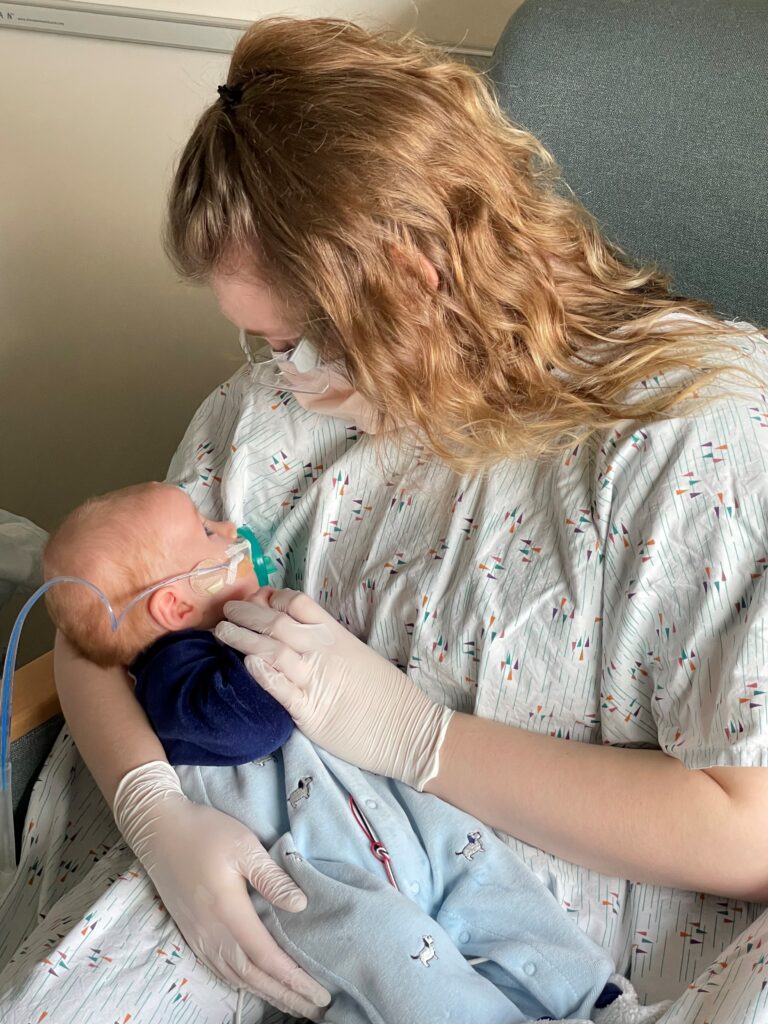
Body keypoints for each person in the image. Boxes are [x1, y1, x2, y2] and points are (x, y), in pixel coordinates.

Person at [29, 15, 768, 1024]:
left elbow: (748, 832)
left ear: (413, 284)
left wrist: (419, 737)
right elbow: (100, 626)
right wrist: (154, 814)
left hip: (558, 943)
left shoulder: (696, 438)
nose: (278, 374)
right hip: (270, 880)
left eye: (291, 340)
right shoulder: (270, 419)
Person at [42, 480, 651, 1024]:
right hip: (317, 873)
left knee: (481, 870)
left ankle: (587, 989)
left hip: (381, 814)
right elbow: (251, 728)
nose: (230, 530)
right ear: (175, 606)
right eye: (207, 531)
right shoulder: (171, 679)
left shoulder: (212, 631)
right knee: (390, 953)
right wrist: (269, 633)